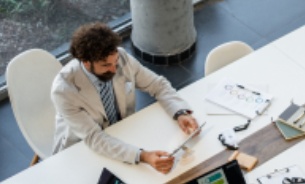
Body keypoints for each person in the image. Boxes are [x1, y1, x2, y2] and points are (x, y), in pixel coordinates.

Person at [51, 22, 199, 174]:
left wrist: (180, 112)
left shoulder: (121, 57)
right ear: (86, 62)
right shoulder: (64, 90)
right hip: (82, 150)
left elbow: (157, 84)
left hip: (123, 134)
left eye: (115, 62)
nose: (115, 69)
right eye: (106, 65)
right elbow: (94, 138)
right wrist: (142, 156)